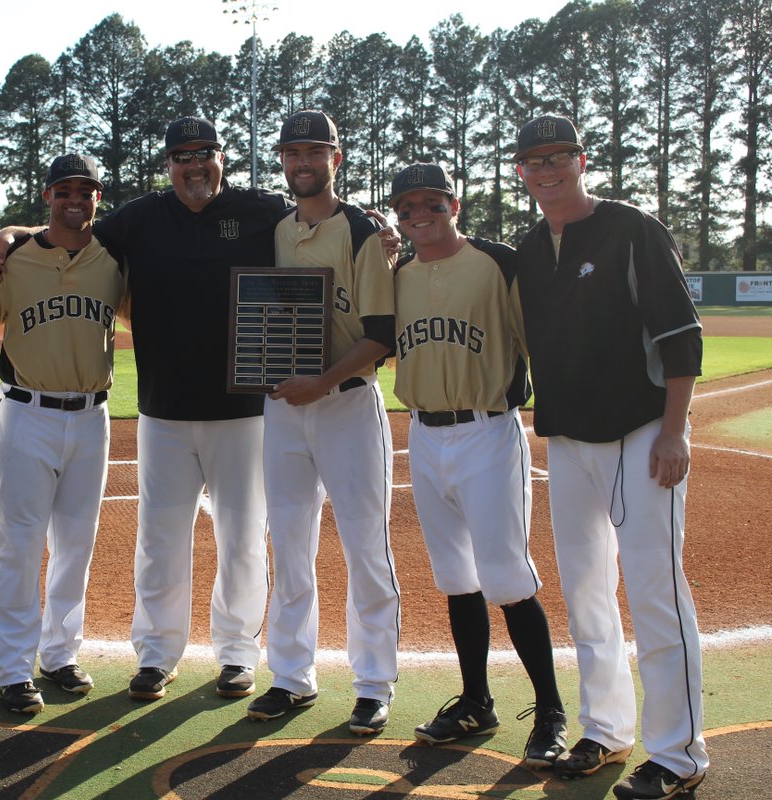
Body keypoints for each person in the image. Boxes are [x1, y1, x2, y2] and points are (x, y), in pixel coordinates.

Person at [0, 117, 292, 701]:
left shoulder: (260, 209)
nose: (194, 165)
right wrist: (13, 228)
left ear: (221, 158)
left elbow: (317, 222)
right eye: (181, 156)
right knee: (159, 537)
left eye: (204, 154)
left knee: (244, 536)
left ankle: (236, 654)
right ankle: (156, 654)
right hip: (161, 409)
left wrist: (371, 222)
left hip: (245, 406)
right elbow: (70, 227)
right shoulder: (141, 218)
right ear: (168, 164)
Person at [513, 114, 707, 798]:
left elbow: (682, 339)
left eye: (557, 156)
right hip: (568, 440)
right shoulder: (530, 248)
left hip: (640, 434)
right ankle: (605, 727)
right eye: (533, 161)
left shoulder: (633, 229)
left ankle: (679, 754)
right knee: (586, 593)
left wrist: (676, 430)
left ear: (581, 159)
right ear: (520, 173)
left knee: (656, 592)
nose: (546, 170)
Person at [388, 162, 567, 766]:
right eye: (408, 205)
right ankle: (476, 701)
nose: (421, 214)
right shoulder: (398, 272)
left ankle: (550, 711)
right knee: (455, 578)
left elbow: (539, 338)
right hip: (424, 434)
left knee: (508, 576)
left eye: (432, 203)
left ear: (454, 204)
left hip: (488, 431)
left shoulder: (498, 262)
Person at [246, 111, 400, 736]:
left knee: (366, 546)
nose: (301, 162)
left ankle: (372, 684)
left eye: (314, 151)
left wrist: (322, 382)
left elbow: (381, 338)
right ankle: (290, 676)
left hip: (346, 403)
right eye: (291, 152)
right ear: (281, 160)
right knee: (288, 544)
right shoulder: (275, 228)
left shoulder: (361, 228)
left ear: (336, 158)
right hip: (285, 405)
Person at [0, 154, 124, 713]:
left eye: (86, 190)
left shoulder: (112, 259)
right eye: (65, 189)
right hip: (27, 413)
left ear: (97, 197)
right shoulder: (12, 256)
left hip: (92, 417)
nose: (76, 198)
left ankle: (60, 654)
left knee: (76, 543)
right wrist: (5, 232)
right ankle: (13, 668)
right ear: (48, 196)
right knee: (18, 544)